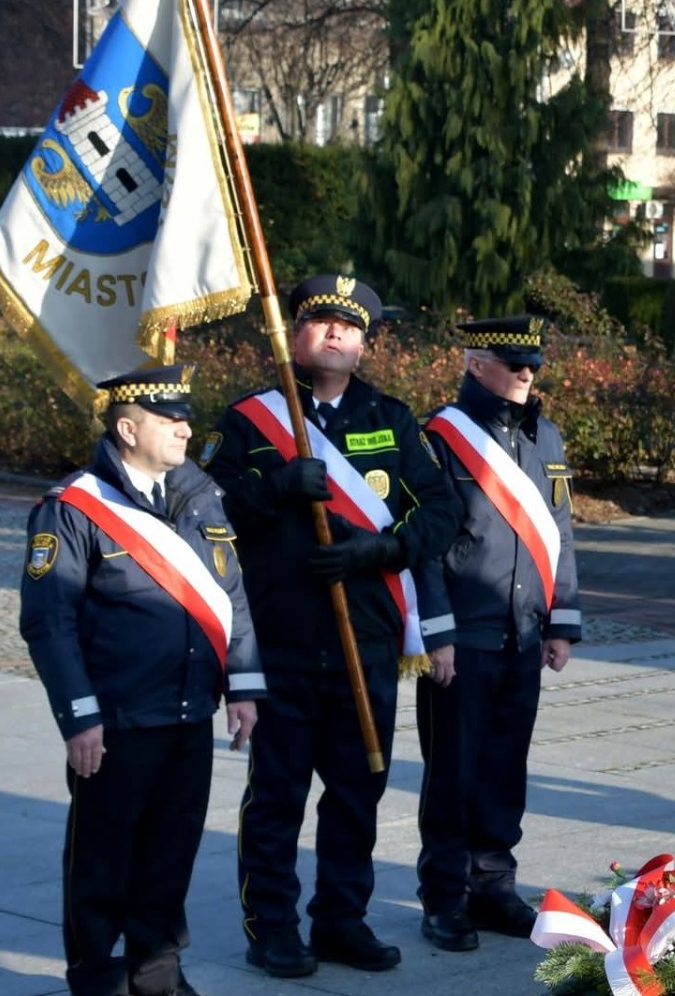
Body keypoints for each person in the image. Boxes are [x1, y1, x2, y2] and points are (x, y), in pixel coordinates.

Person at [207, 275, 461, 979]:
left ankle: (341, 919)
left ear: (366, 344)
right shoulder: (250, 420)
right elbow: (207, 517)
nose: (336, 335)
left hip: (366, 640)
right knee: (279, 793)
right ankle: (273, 928)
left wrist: (381, 550)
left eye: (350, 328)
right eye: (321, 322)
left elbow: (440, 512)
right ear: (295, 335)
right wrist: (275, 489)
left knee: (357, 789)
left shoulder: (392, 418)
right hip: (282, 638)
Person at [20, 364, 267, 996]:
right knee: (102, 860)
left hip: (189, 714)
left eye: (186, 416)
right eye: (170, 418)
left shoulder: (200, 497)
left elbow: (230, 597)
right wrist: (79, 717)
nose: (186, 428)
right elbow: (50, 624)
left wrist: (242, 684)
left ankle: (156, 973)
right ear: (127, 428)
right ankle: (97, 978)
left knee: (170, 853)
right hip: (117, 721)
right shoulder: (72, 508)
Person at [412, 316, 583, 951]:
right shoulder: (439, 439)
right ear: (475, 364)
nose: (526, 375)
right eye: (514, 364)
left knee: (506, 767)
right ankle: (444, 895)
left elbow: (560, 533)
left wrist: (561, 620)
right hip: (463, 634)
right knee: (452, 771)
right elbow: (425, 548)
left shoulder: (546, 436)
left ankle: (492, 885)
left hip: (523, 633)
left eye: (533, 365)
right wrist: (435, 634)